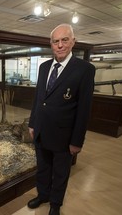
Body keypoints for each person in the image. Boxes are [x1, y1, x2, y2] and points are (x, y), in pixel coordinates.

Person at [27, 24, 95, 215]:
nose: (60, 45)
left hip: (64, 136)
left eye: (65, 40)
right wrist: (32, 123)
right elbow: (39, 99)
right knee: (42, 169)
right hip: (41, 130)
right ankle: (43, 195)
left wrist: (77, 141)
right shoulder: (44, 67)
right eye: (56, 41)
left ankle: (55, 204)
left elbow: (84, 109)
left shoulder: (85, 69)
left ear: (73, 41)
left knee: (60, 173)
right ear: (51, 44)